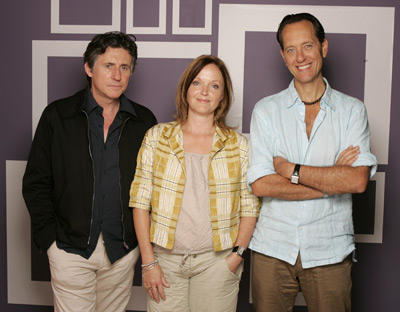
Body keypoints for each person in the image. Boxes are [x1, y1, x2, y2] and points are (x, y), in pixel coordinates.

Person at [247, 13, 377, 312]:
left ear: (324, 47)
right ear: (282, 55)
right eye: (291, 49)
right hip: (272, 249)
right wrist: (332, 181)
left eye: (307, 46)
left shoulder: (352, 111)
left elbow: (356, 181)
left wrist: (291, 170)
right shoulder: (266, 110)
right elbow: (261, 184)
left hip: (329, 250)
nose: (300, 57)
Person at [22, 31, 157, 312]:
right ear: (89, 68)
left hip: (121, 251)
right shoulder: (57, 116)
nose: (117, 75)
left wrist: (138, 245)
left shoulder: (144, 121)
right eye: (108, 66)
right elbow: (36, 182)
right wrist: (50, 241)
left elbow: (152, 187)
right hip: (68, 249)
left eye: (125, 67)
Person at [129, 55, 260, 312]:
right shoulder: (157, 137)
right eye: (197, 83)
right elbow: (140, 201)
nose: (204, 92)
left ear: (223, 96)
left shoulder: (238, 145)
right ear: (186, 88)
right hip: (164, 263)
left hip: (217, 264)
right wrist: (148, 262)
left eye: (214, 86)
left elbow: (250, 206)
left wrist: (236, 256)